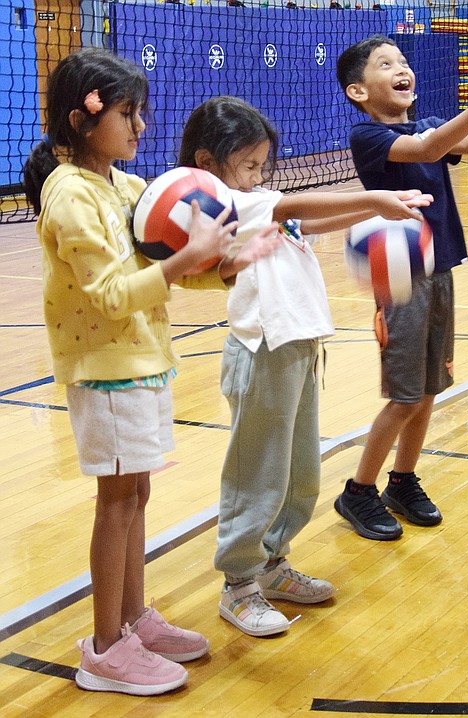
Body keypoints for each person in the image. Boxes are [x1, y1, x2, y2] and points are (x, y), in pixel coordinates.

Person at [23, 49, 280, 695]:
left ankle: (133, 619)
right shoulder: (69, 195)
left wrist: (229, 262)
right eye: (127, 113)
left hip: (141, 361)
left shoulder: (125, 187)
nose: (141, 126)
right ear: (84, 119)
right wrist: (185, 260)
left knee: (134, 495)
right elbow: (110, 292)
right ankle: (105, 649)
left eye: (141, 112)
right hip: (105, 367)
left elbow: (172, 274)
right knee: (116, 503)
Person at [178, 95, 434, 637]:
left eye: (259, 164)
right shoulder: (219, 202)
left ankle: (272, 565)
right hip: (262, 350)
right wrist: (374, 194)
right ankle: (239, 584)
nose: (255, 174)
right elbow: (289, 208)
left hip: (300, 348)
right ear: (207, 161)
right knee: (257, 476)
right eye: (247, 163)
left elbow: (302, 218)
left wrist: (377, 207)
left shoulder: (260, 199)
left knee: (298, 474)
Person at [333, 35, 468, 540]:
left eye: (403, 62)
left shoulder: (425, 124)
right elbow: (428, 148)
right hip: (404, 281)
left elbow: (466, 143)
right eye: (386, 65)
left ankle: (402, 481)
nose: (401, 69)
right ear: (359, 91)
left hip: (440, 268)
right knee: (405, 396)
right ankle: (358, 491)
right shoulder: (370, 138)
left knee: (429, 390)